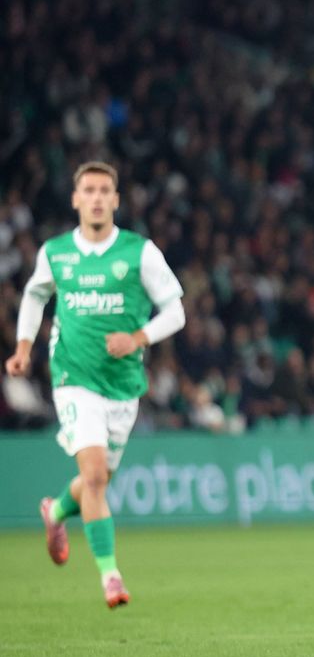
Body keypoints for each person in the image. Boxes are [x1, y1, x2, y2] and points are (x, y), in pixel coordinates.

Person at [6, 161, 186, 608]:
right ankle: (111, 577)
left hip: (123, 385)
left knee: (98, 479)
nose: (97, 197)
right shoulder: (57, 252)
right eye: (89, 190)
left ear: (117, 200)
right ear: (76, 199)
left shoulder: (139, 252)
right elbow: (34, 294)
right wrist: (24, 347)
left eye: (105, 190)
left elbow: (176, 312)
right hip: (73, 377)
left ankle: (56, 511)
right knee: (93, 475)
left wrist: (138, 338)